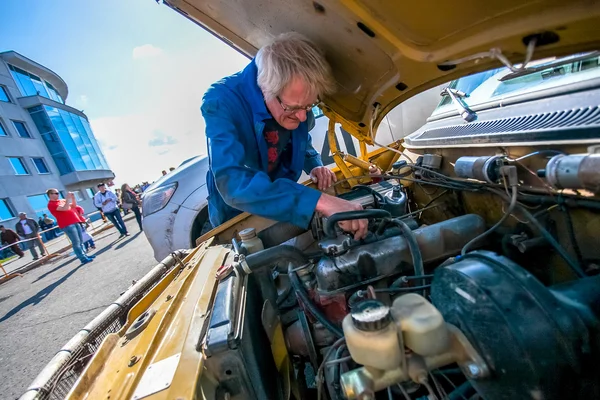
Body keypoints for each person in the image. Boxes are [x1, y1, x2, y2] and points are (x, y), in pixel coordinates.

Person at [202, 33, 368, 239]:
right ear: (265, 89)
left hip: (284, 201)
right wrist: (320, 201)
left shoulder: (296, 103)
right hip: (237, 216)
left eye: (309, 106)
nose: (301, 116)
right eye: (293, 108)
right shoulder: (220, 102)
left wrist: (314, 164)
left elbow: (300, 140)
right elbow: (233, 183)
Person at [47, 189, 95, 264]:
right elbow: (64, 208)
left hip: (75, 221)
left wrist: (72, 198)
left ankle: (85, 255)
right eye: (56, 193)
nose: (57, 194)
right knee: (76, 242)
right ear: (50, 195)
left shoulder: (62, 201)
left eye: (58, 193)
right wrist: (67, 199)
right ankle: (82, 258)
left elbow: (74, 206)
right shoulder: (51, 204)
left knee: (80, 240)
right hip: (67, 224)